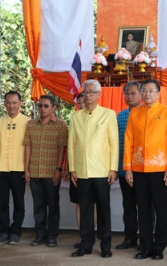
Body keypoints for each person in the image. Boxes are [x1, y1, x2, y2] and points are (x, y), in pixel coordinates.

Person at [124, 79, 167, 260]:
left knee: (161, 209)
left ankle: (159, 247)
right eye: (144, 90)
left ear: (158, 93)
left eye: (151, 91)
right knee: (143, 210)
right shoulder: (135, 113)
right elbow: (129, 142)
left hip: (160, 169)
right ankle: (145, 246)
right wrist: (128, 169)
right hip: (138, 169)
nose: (147, 94)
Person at [68, 79, 118, 258]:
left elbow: (114, 143)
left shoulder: (108, 114)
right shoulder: (75, 116)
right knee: (85, 209)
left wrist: (113, 168)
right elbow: (72, 144)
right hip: (82, 171)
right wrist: (72, 168)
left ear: (98, 94)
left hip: (102, 170)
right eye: (85, 92)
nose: (87, 95)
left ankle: (106, 245)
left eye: (91, 92)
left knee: (104, 209)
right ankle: (85, 244)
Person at [0, 90, 30, 245]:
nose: (11, 106)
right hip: (1, 168)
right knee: (1, 202)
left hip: (19, 168)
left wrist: (27, 169)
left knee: (19, 202)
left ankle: (16, 232)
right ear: (4, 104)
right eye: (8, 102)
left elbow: (30, 148)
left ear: (20, 104)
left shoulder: (27, 122)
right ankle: (3, 232)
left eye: (14, 102)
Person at [24, 95, 68, 247]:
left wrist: (59, 169)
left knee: (53, 205)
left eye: (46, 106)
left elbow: (62, 148)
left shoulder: (61, 125)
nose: (42, 109)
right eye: (40, 106)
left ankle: (52, 236)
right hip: (35, 171)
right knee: (38, 206)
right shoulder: (31, 124)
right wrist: (26, 169)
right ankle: (40, 235)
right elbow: (27, 146)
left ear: (53, 108)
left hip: (51, 172)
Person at [116, 81, 142, 250]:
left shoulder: (147, 114)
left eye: (133, 93)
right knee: (129, 206)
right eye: (127, 94)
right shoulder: (120, 116)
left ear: (141, 94)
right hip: (124, 168)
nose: (129, 96)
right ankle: (130, 238)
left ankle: (146, 239)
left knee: (145, 207)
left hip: (143, 169)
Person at [69, 92, 84, 248]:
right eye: (79, 102)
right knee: (79, 204)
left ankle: (89, 234)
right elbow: (70, 146)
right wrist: (70, 167)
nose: (82, 104)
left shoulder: (102, 116)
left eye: (84, 101)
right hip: (77, 169)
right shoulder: (74, 119)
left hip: (95, 170)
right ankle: (81, 235)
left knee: (91, 204)